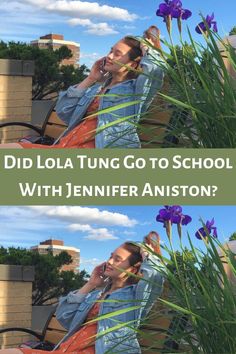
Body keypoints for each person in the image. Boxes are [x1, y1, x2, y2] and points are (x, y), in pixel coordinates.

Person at [0, 26, 164, 149]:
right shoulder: (97, 89)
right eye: (110, 50)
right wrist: (91, 78)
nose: (109, 56)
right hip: (65, 147)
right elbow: (64, 112)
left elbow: (156, 71)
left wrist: (147, 49)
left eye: (117, 53)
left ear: (133, 63)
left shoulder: (136, 91)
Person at [0, 232, 164, 354]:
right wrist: (91, 284)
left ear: (133, 268)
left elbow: (156, 276)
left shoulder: (136, 297)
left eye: (117, 259)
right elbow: (64, 317)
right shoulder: (96, 294)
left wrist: (147, 254)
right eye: (110, 256)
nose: (109, 261)